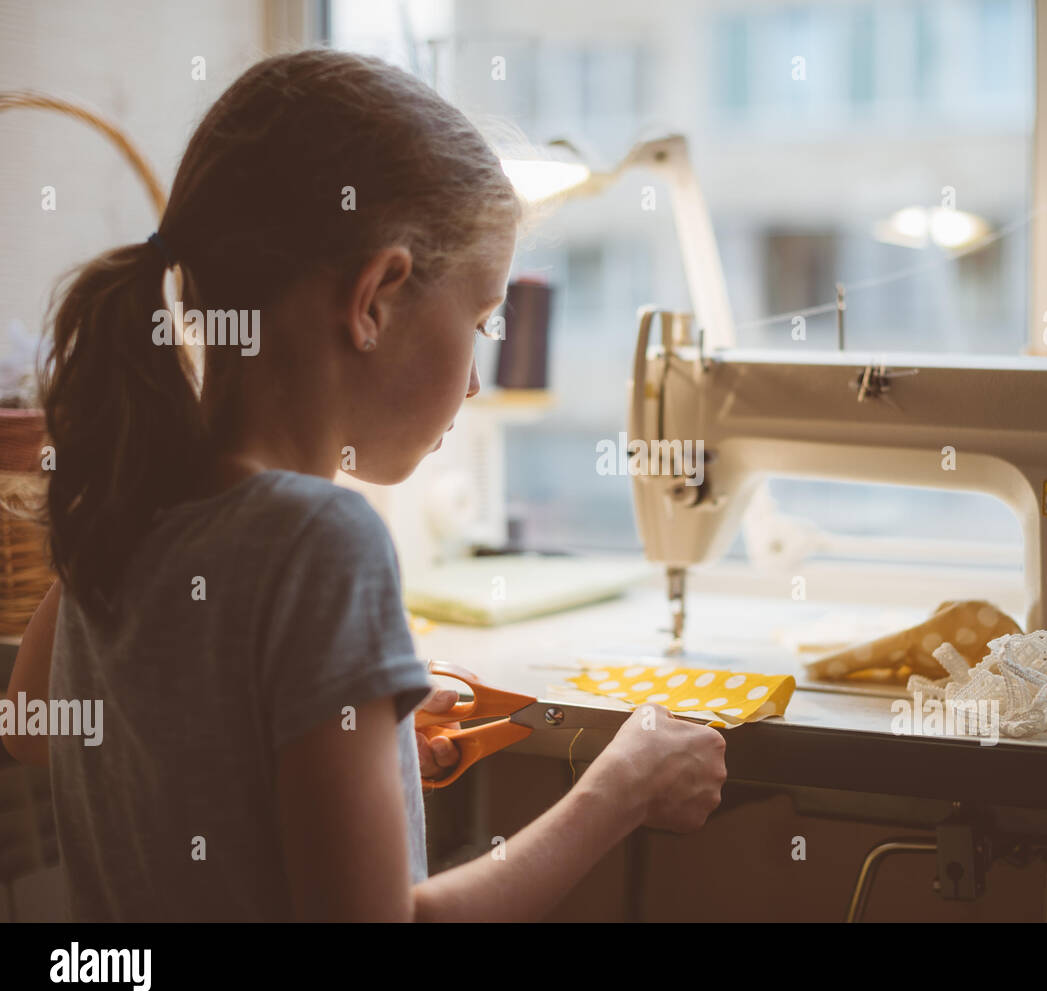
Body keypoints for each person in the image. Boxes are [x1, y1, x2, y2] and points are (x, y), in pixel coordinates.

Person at [0, 49, 726, 921]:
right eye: (481, 320)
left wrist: (328, 750)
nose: (474, 383)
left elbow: (37, 726)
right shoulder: (322, 541)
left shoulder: (132, 501)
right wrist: (621, 792)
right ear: (374, 298)